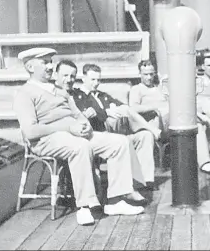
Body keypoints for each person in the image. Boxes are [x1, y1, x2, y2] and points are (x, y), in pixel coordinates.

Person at [12, 48, 145, 226]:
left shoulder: (60, 91)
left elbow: (78, 115)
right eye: (45, 62)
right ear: (29, 66)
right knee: (80, 146)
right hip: (46, 139)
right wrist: (68, 127)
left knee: (119, 142)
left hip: (74, 134)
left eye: (51, 61)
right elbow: (30, 131)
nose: (51, 66)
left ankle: (115, 201)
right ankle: (85, 206)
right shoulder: (25, 94)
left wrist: (84, 126)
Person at [55, 61, 157, 189]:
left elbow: (122, 106)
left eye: (98, 80)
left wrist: (114, 110)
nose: (96, 83)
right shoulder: (79, 95)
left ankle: (144, 181)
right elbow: (88, 114)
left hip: (115, 131)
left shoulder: (102, 95)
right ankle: (120, 192)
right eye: (92, 79)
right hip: (97, 134)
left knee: (145, 136)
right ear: (83, 78)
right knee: (118, 137)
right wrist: (106, 112)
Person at [128, 60, 210, 174]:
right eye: (145, 74)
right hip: (157, 123)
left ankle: (205, 161)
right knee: (186, 114)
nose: (149, 77)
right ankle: (209, 120)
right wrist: (154, 106)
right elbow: (133, 109)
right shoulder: (136, 89)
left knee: (197, 125)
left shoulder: (160, 87)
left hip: (171, 120)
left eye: (152, 74)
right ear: (139, 74)